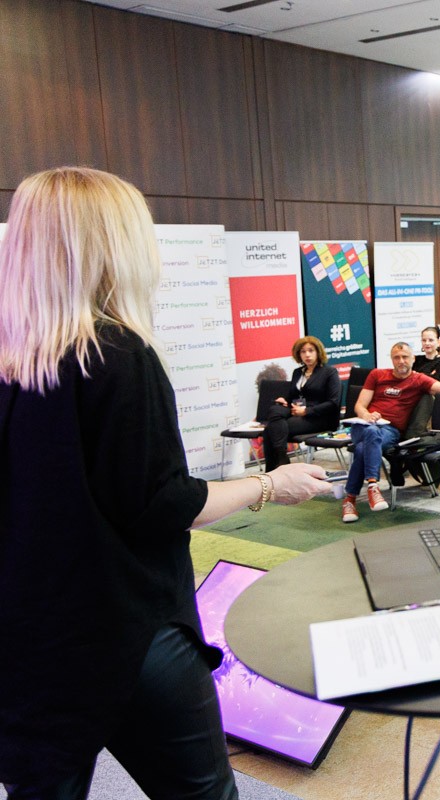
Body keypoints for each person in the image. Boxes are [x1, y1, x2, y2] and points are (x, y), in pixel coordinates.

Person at [0, 167, 330, 797]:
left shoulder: (14, 361)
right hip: (127, 633)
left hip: (27, 640)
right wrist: (270, 485)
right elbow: (162, 504)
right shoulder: (117, 356)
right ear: (113, 246)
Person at [344, 341, 440, 519]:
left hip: (390, 431)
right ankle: (373, 486)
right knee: (370, 432)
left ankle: (350, 499)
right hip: (363, 426)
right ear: (392, 360)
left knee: (361, 448)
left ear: (413, 359)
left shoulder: (419, 379)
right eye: (396, 357)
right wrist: (367, 415)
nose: (401, 361)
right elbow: (359, 406)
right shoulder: (377, 375)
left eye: (405, 357)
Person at [261, 335, 342, 471]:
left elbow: (333, 402)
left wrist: (306, 411)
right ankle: (281, 457)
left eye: (311, 350)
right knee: (275, 410)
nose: (307, 355)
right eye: (303, 352)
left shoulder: (329, 372)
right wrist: (285, 401)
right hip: (297, 411)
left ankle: (274, 469)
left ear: (318, 352)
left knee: (269, 430)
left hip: (319, 417)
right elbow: (293, 396)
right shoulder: (298, 372)